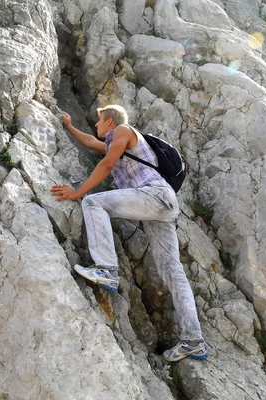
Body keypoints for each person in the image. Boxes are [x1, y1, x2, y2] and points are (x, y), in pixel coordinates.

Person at [50, 105, 208, 362]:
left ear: (110, 121)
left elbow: (108, 162)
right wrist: (69, 126)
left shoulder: (123, 131)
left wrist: (78, 192)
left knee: (92, 202)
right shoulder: (119, 143)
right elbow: (92, 143)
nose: (96, 127)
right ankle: (194, 341)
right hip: (162, 206)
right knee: (172, 271)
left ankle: (107, 270)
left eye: (99, 122)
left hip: (154, 195)